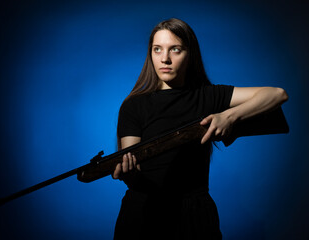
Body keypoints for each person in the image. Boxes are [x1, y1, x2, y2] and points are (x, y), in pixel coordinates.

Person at [112, 18, 288, 240]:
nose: (165, 58)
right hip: (144, 211)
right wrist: (128, 174)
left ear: (190, 54)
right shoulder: (133, 105)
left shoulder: (209, 96)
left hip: (194, 213)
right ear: (151, 53)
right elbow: (131, 167)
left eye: (175, 49)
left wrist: (229, 116)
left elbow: (277, 94)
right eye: (157, 49)